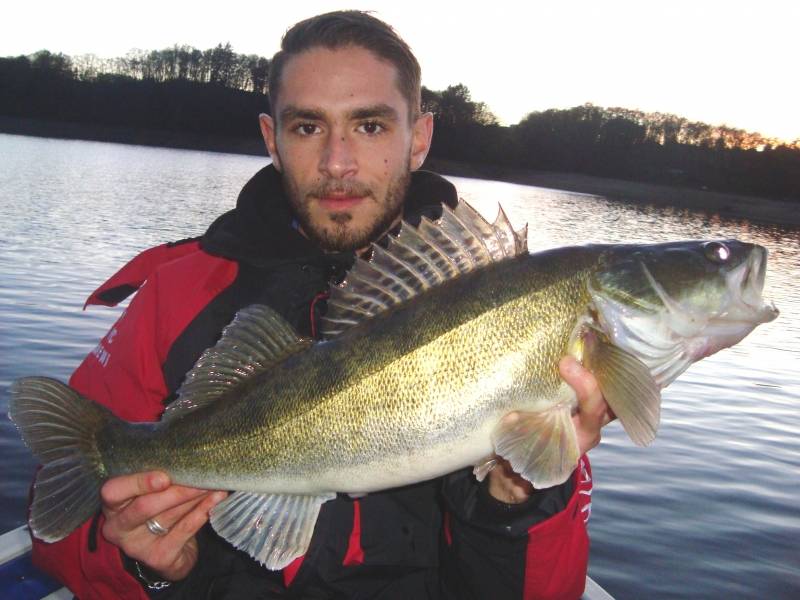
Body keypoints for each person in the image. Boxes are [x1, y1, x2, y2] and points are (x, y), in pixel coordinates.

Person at [30, 11, 613, 600]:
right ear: (271, 141)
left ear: (419, 139)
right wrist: (152, 568)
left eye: (370, 126)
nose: (338, 162)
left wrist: (518, 499)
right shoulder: (177, 296)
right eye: (308, 127)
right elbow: (60, 540)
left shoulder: (508, 313)